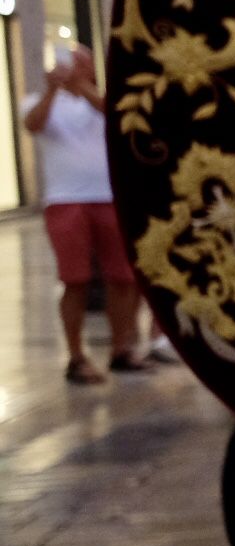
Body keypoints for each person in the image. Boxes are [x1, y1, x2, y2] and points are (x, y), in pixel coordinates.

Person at [21, 45, 148, 384]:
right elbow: (33, 124)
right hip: (65, 201)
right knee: (74, 280)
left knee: (122, 276)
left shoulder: (102, 102)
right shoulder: (38, 101)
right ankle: (76, 356)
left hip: (108, 198)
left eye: (83, 61)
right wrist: (52, 90)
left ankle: (121, 348)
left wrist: (84, 88)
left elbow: (118, 118)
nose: (75, 67)